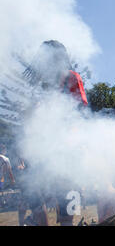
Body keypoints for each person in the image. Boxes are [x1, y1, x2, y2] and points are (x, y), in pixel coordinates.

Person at [20, 40, 88, 226]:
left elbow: (79, 114)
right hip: (38, 149)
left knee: (67, 201)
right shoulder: (35, 84)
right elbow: (26, 118)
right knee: (34, 197)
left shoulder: (71, 77)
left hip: (64, 150)